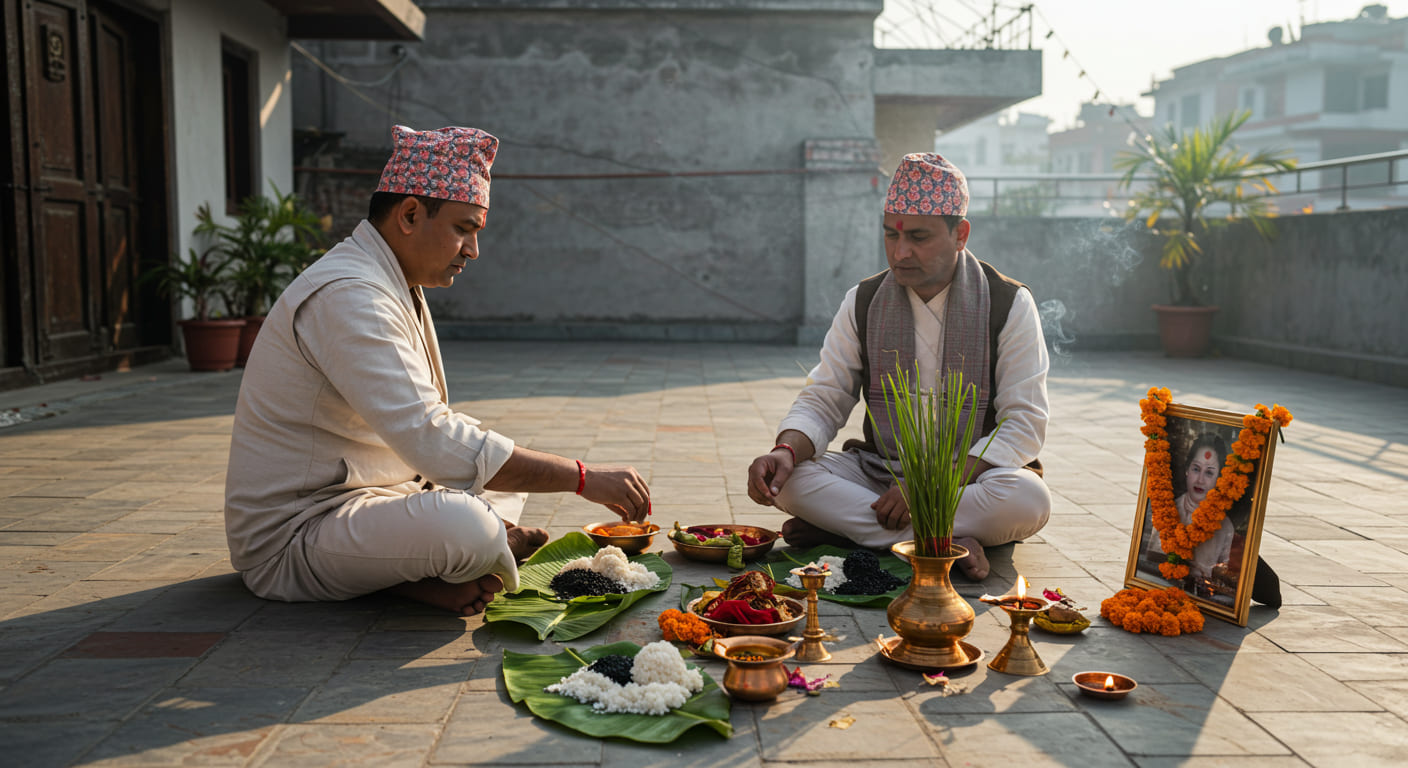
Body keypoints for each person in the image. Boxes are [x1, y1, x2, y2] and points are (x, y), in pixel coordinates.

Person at [223, 125, 651, 616]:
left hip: (378, 503)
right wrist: (582, 477)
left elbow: (440, 443)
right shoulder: (349, 294)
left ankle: (421, 572)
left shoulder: (390, 281)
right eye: (464, 229)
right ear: (409, 215)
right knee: (469, 524)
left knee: (502, 472)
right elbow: (432, 436)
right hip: (297, 535)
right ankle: (458, 555)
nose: (472, 250)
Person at [745, 152, 1050, 581]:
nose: (900, 252)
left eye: (919, 237)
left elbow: (1024, 423)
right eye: (891, 235)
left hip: (967, 481)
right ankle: (945, 540)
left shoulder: (1008, 303)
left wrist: (932, 487)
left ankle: (858, 532)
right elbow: (826, 396)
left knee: (1028, 499)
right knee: (790, 480)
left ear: (960, 234)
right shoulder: (864, 300)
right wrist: (785, 450)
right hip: (880, 473)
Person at [1144, 433, 1237, 584]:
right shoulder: (1166, 511)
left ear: (1219, 479)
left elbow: (1226, 579)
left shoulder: (1225, 527)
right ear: (1187, 470)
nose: (1200, 480)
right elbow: (1151, 562)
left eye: (1209, 473)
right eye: (1196, 469)